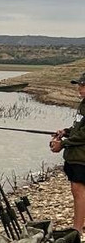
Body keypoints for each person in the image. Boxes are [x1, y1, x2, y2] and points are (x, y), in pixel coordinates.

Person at [49, 73, 85, 234]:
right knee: (77, 190)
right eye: (79, 85)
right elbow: (79, 128)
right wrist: (66, 131)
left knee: (78, 190)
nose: (80, 89)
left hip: (81, 157)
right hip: (75, 155)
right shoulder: (83, 104)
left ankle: (76, 229)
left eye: (83, 86)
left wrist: (62, 144)